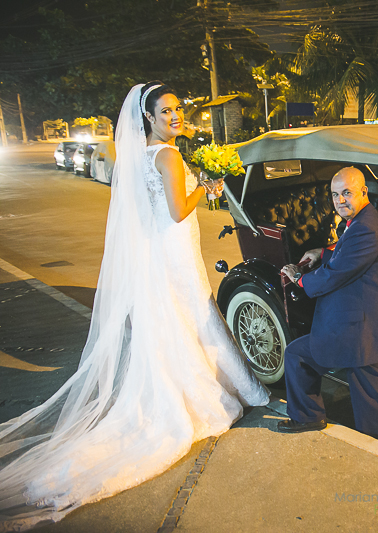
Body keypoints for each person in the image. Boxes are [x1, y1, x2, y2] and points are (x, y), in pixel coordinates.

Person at [0, 82, 270, 531]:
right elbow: (179, 211)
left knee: (175, 319)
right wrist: (206, 184)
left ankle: (193, 380)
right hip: (174, 246)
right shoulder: (168, 156)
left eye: (178, 109)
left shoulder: (138, 155)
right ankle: (214, 391)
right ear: (148, 117)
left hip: (158, 252)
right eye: (166, 112)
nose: (175, 117)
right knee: (194, 314)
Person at [279, 167, 378, 442]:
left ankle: (375, 450)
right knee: (301, 357)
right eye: (335, 195)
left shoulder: (366, 229)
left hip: (359, 328)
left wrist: (299, 279)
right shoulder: (362, 221)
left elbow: (335, 274)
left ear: (363, 192)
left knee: (370, 393)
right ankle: (312, 418)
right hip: (355, 322)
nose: (340, 200)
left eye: (346, 193)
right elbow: (346, 255)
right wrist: (322, 252)